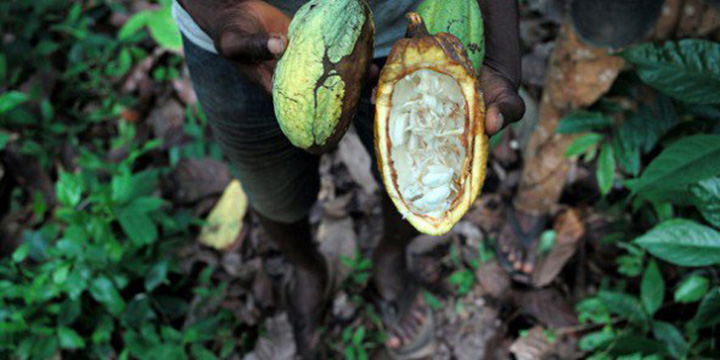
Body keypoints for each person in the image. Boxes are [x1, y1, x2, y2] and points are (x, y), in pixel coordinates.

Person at [172, 0, 524, 358]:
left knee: (408, 164)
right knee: (269, 183)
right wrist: (214, 9)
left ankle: (391, 253)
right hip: (243, 24)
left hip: (422, 27)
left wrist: (497, 22)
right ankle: (306, 267)